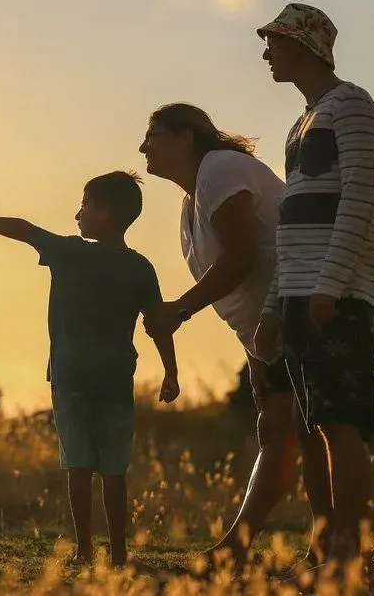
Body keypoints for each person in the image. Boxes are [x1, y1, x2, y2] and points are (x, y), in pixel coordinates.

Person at [0, 171, 180, 567]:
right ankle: (119, 555)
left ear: (104, 211)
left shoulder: (70, 251)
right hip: (116, 379)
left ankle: (85, 550)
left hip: (70, 378)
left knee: (78, 465)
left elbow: (23, 229)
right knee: (114, 471)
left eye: (84, 205)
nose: (78, 214)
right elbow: (158, 323)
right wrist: (171, 372)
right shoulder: (140, 267)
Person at [139, 103, 332, 566]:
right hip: (269, 327)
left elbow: (242, 256)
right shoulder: (194, 198)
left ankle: (318, 551)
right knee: (284, 430)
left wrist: (180, 310)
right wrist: (253, 352)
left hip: (302, 308)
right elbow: (245, 276)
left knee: (306, 431)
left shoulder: (220, 170)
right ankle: (298, 548)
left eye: (153, 135)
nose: (143, 147)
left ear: (186, 136)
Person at [254, 2, 374, 567]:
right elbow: (291, 223)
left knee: (340, 423)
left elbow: (361, 197)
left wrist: (331, 284)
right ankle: (324, 549)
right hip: (298, 294)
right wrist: (273, 305)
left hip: (335, 295)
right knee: (310, 425)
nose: (266, 52)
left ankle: (346, 555)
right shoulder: (302, 122)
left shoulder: (353, 106)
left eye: (275, 42)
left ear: (304, 47)